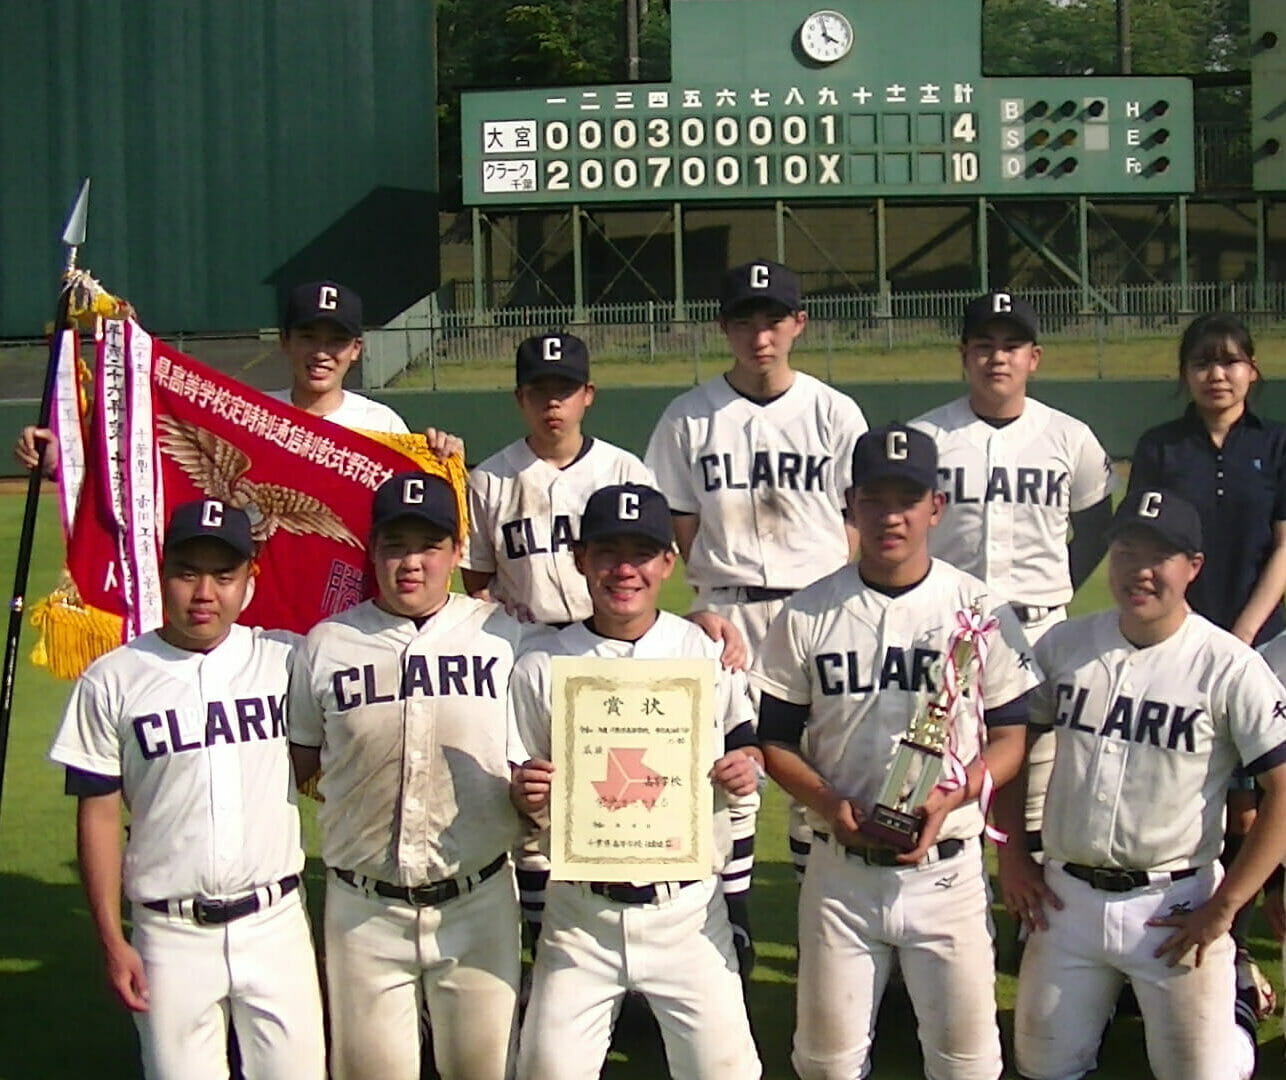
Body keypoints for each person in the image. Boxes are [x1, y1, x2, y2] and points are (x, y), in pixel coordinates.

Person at [753, 423, 1036, 1080]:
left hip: (949, 874)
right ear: (850, 505)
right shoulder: (806, 614)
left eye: (907, 499)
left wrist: (954, 794)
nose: (891, 516)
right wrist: (830, 803)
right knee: (826, 1066)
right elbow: (774, 742)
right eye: (875, 499)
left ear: (936, 506)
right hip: (839, 873)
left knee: (966, 1066)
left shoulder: (980, 609)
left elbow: (1012, 738)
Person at [999, 488, 1286, 1080]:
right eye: (1127, 550)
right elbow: (1012, 746)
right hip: (1066, 898)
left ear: (1193, 568)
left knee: (1202, 1074)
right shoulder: (1065, 645)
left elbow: (1283, 789)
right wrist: (1013, 856)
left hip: (1175, 903)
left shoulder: (1228, 665)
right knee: (1041, 1065)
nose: (1141, 570)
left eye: (1161, 555)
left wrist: (1227, 907)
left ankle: (1234, 1008)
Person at [48, 498, 326, 1079]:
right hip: (169, 933)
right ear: (161, 573)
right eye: (187, 572)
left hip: (274, 924)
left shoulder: (286, 659)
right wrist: (111, 939)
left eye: (223, 575)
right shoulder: (112, 678)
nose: (205, 592)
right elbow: (97, 816)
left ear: (249, 581)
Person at [507, 483, 762, 1080]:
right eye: (607, 552)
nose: (624, 569)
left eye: (642, 553)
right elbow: (515, 786)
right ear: (580, 559)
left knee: (728, 1073)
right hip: (580, 919)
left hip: (687, 914)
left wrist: (745, 768)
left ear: (668, 563)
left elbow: (747, 751)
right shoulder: (543, 664)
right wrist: (525, 795)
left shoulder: (702, 652)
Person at [645, 258, 868, 920]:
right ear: (725, 328)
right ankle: (733, 924)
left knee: (817, 779)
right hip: (728, 616)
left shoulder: (833, 411)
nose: (760, 335)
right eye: (745, 320)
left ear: (799, 323)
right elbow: (675, 518)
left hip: (816, 608)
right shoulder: (689, 417)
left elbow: (857, 515)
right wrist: (711, 592)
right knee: (733, 777)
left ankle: (821, 921)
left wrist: (830, 594)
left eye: (774, 319)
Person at [288, 470, 524, 1080]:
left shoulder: (504, 638)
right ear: (373, 550)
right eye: (395, 545)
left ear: (453, 552)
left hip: (479, 901)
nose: (411, 562)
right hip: (364, 911)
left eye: (429, 545)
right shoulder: (327, 644)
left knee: (486, 1071)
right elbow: (292, 767)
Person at [911, 289, 1114, 930]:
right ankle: (955, 914)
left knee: (1040, 781)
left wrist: (1056, 595)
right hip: (951, 631)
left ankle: (1036, 922)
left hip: (1041, 625)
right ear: (964, 356)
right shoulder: (927, 437)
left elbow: (1097, 529)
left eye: (1011, 345)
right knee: (944, 769)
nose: (997, 357)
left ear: (1035, 357)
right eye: (983, 345)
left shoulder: (1069, 438)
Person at [1126, 311, 1286, 1014]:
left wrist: (1245, 630)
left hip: (1265, 645)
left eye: (1229, 362)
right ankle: (1189, 941)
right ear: (1184, 374)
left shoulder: (1275, 445)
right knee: (1197, 797)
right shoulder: (1162, 447)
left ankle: (1240, 943)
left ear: (1253, 369)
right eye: (1202, 363)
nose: (1216, 375)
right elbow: (1140, 545)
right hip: (1181, 647)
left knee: (1258, 805)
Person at [14, 278, 461, 472]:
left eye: (336, 341)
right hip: (258, 612)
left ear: (356, 351)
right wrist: (65, 460)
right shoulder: (246, 415)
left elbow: (421, 518)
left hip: (351, 611)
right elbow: (157, 471)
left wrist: (444, 459)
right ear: (285, 341)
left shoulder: (382, 425)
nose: (321, 353)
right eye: (308, 336)